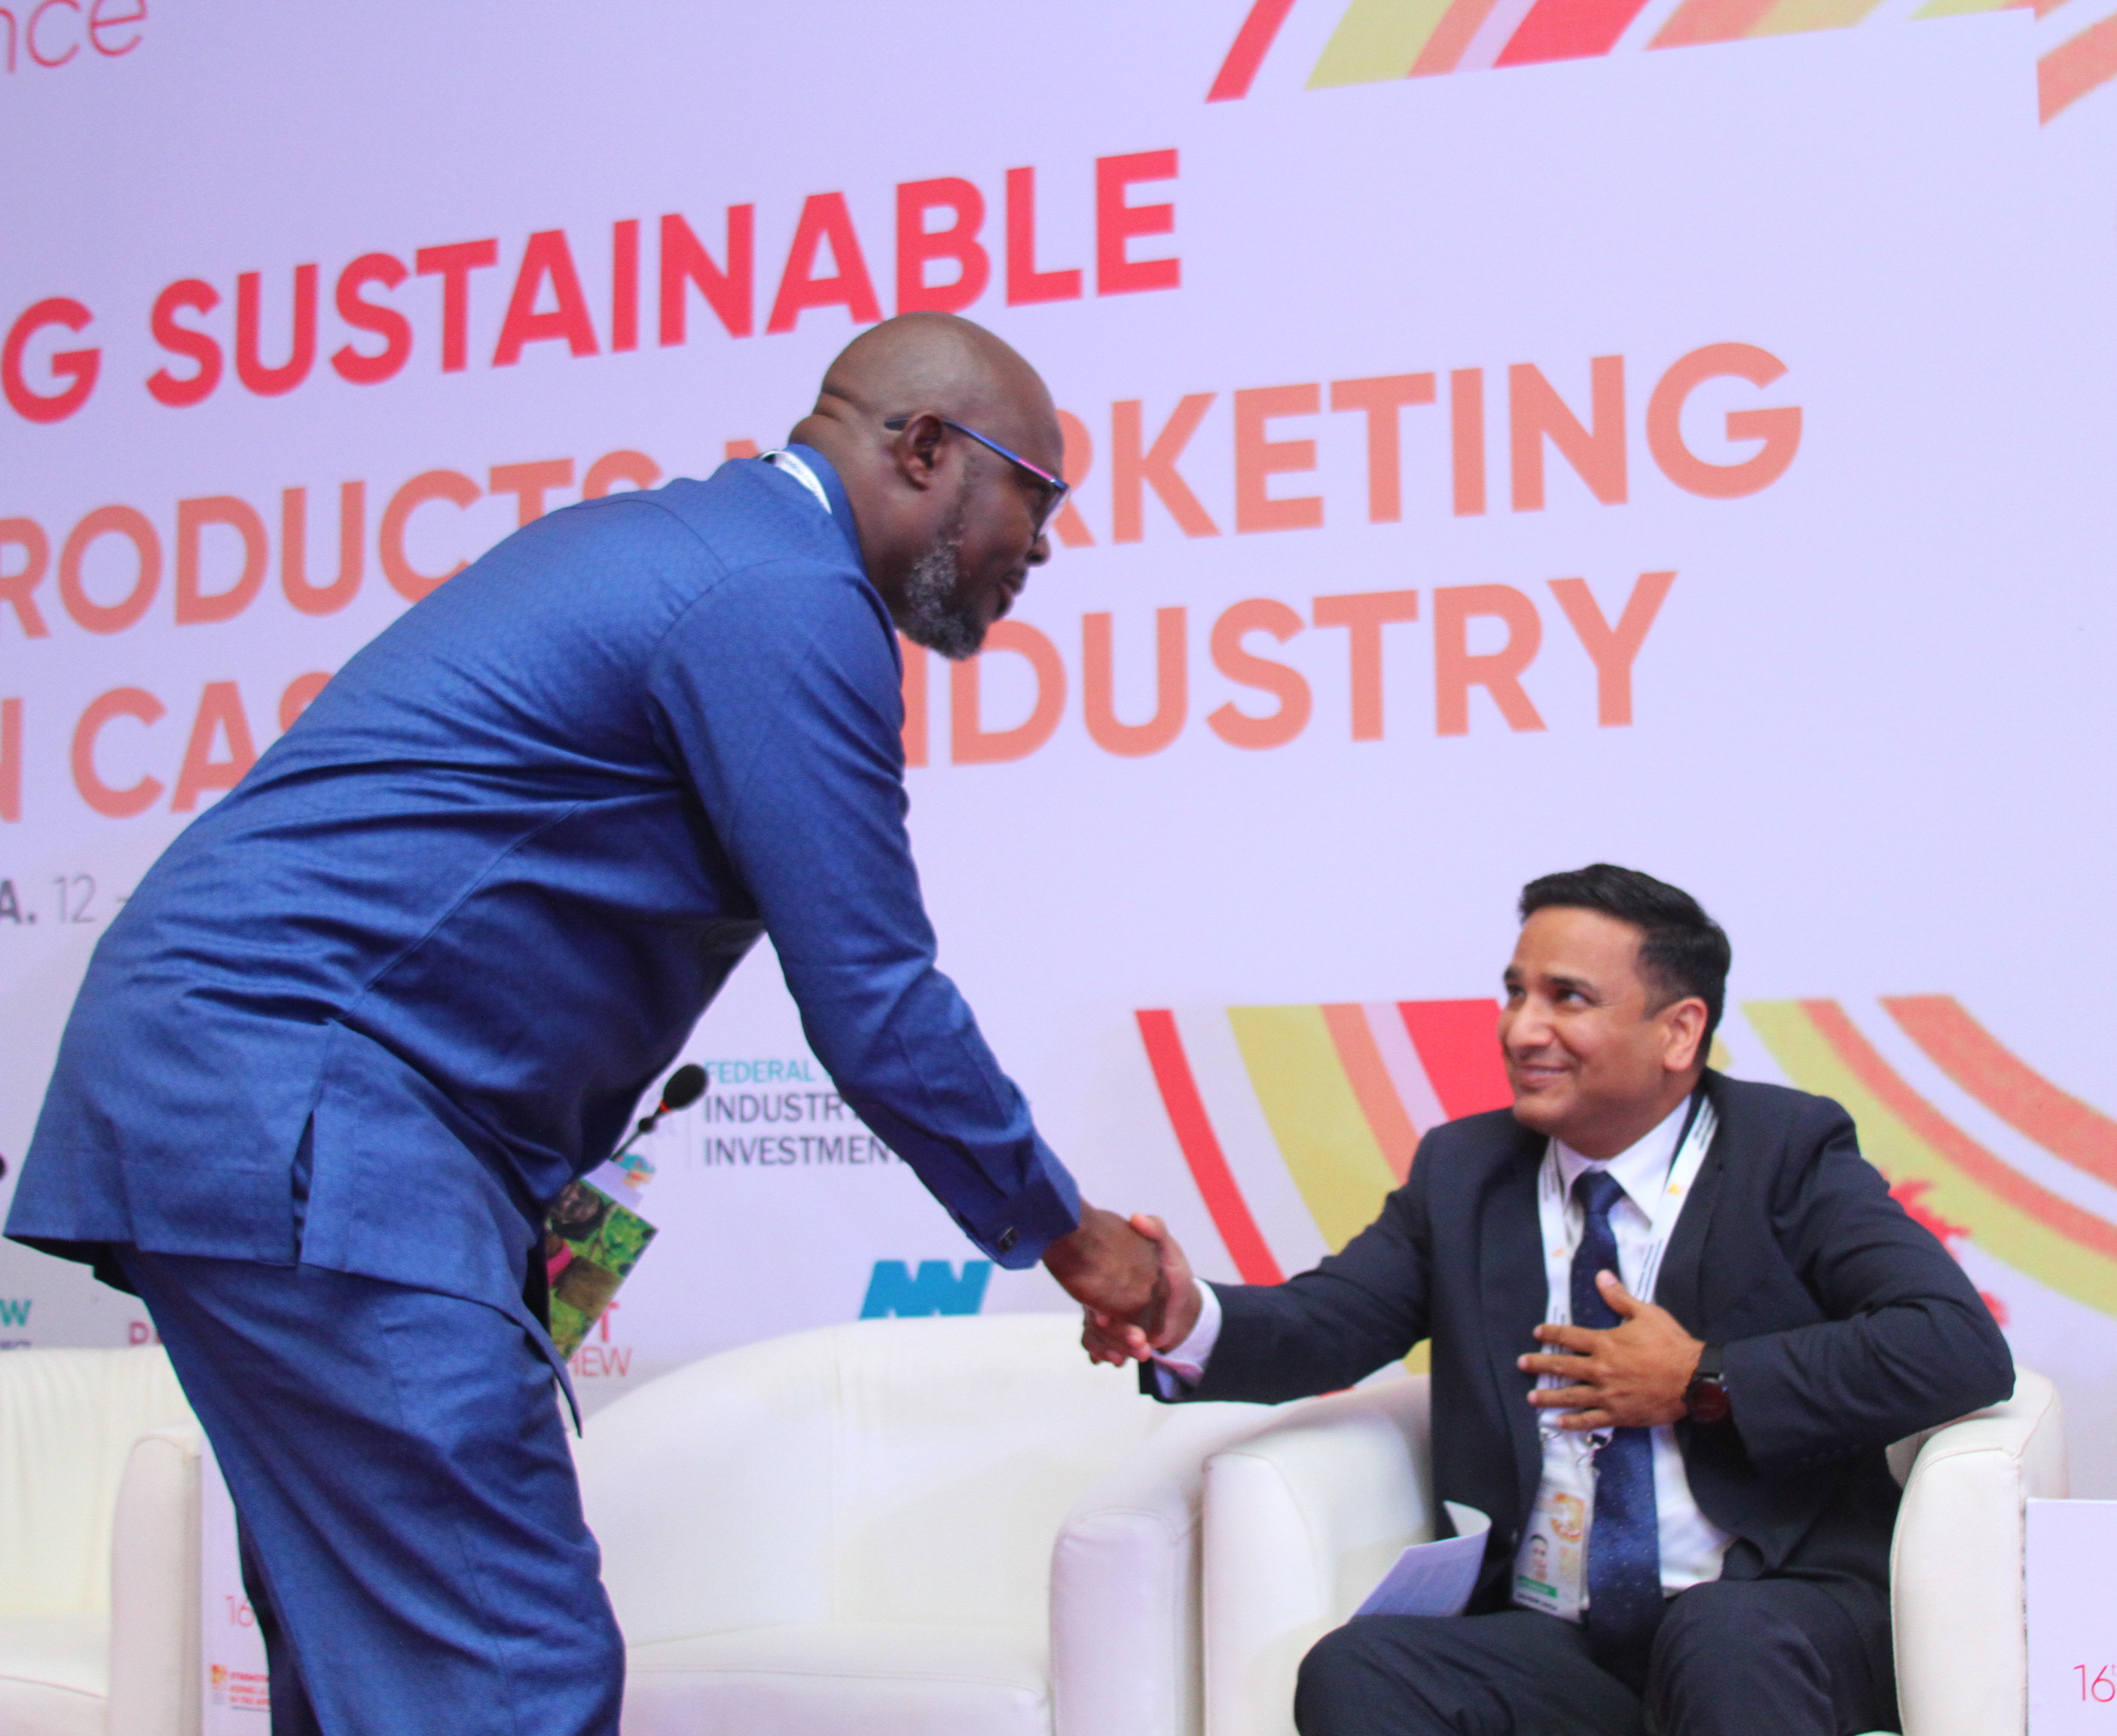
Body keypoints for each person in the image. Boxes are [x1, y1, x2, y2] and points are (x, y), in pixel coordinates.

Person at [6, 313, 1165, 1736]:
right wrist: (1075, 1235)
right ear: (923, 447)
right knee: (507, 1677)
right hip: (308, 1108)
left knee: (384, 1677)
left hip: (260, 1100)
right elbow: (875, 997)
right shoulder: (783, 598)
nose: (1040, 545)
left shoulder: (698, 550)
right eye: (1035, 496)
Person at [1088, 865, 2014, 1736]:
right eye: (1516, 993)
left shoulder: (1786, 1153)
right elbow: (1328, 1323)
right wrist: (1182, 1316)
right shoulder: (1466, 1172)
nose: (1522, 1029)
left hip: (1770, 1611)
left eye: (1567, 998)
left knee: (1721, 1639)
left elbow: (1952, 1344)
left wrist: (1703, 1378)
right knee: (1357, 1669)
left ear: (1679, 1031)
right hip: (1565, 1637)